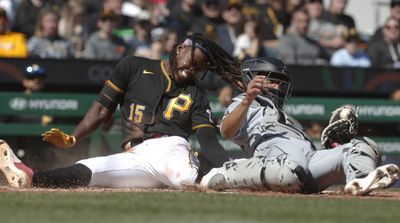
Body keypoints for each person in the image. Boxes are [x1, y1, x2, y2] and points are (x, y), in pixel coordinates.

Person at [0, 33, 243, 189]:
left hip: (170, 148)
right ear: (179, 49)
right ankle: (30, 176)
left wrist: (231, 167)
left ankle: (249, 175)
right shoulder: (133, 66)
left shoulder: (196, 93)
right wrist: (74, 137)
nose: (193, 69)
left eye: (199, 68)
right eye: (193, 61)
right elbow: (101, 109)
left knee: (190, 180)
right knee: (89, 169)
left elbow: (209, 141)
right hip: (135, 156)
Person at [200, 57, 400, 196]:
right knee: (291, 170)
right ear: (254, 78)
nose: (279, 87)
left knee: (364, 146)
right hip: (275, 155)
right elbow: (226, 131)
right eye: (274, 81)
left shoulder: (288, 118)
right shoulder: (245, 101)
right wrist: (248, 98)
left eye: (281, 82)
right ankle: (227, 172)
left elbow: (304, 149)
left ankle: (360, 181)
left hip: (308, 159)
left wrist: (333, 145)